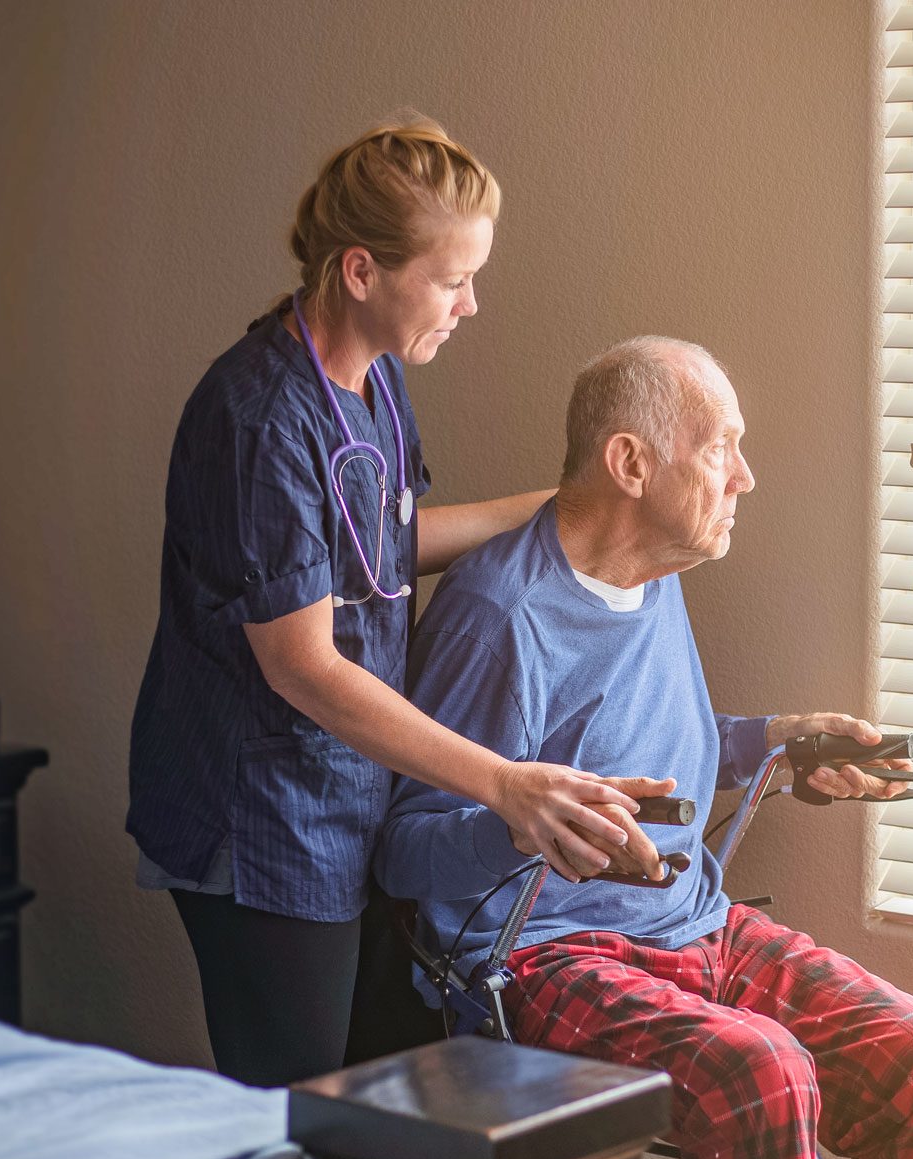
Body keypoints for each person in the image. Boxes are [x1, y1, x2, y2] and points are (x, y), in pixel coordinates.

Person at [375, 337, 913, 1159]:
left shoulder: (654, 572)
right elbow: (404, 852)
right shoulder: (500, 613)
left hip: (690, 923)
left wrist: (777, 746)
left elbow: (656, 748)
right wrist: (532, 827)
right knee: (763, 1071)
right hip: (541, 959)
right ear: (630, 466)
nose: (743, 477)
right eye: (720, 450)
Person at [125, 117, 664, 1089]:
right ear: (361, 270)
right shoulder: (256, 421)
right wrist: (503, 781)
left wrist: (567, 505)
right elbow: (304, 665)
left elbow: (374, 550)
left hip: (350, 789)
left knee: (386, 1098)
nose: (470, 304)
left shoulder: (374, 380)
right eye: (451, 279)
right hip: (262, 814)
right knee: (303, 1116)